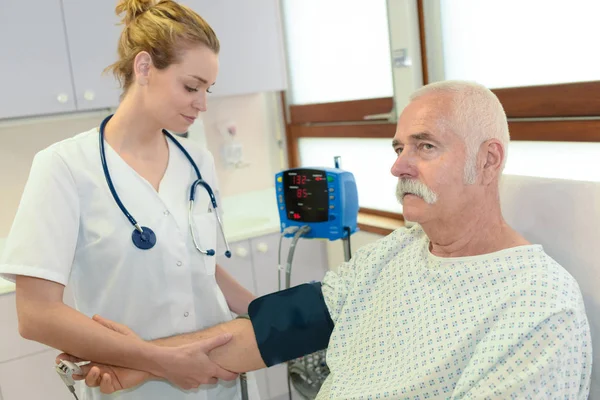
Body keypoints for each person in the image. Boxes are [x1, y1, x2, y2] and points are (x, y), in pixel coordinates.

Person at [62, 81, 592, 399]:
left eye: (425, 146)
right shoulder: (399, 250)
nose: (398, 164)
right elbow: (274, 330)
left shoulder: (538, 305)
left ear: (489, 159)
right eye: (399, 145)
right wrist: (141, 357)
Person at [0, 0, 261, 399]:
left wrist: (268, 312)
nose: (202, 103)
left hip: (219, 377)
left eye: (208, 90)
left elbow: (200, 263)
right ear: (143, 68)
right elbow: (36, 314)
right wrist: (159, 361)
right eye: (191, 87)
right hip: (134, 389)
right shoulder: (65, 167)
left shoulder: (199, 162)